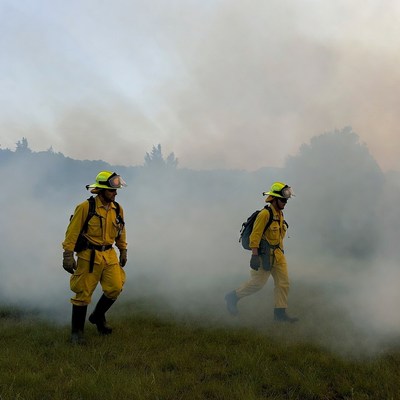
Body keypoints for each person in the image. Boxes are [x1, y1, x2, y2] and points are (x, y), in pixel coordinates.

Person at [62, 171, 128, 344]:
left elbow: (121, 230)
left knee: (115, 287)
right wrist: (68, 255)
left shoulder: (117, 208)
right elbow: (72, 232)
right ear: (102, 190)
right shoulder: (85, 207)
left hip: (109, 254)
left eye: (116, 190)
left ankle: (97, 316)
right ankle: (76, 333)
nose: (115, 193)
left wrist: (123, 250)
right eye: (112, 190)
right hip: (88, 255)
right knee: (82, 293)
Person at [225, 182, 298, 322]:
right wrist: (254, 255)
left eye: (286, 200)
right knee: (257, 284)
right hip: (264, 256)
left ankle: (280, 314)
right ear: (274, 199)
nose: (285, 202)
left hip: (278, 256)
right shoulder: (265, 214)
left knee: (283, 283)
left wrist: (281, 253)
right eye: (283, 200)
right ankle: (233, 297)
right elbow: (255, 236)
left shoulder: (280, 214)